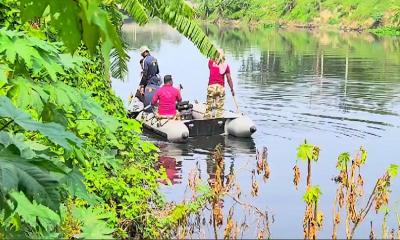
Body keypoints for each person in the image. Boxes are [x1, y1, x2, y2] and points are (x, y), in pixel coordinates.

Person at [204, 49, 235, 119]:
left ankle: (207, 118)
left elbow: (210, 67)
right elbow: (229, 79)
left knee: (209, 107)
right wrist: (232, 89)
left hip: (211, 87)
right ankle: (219, 119)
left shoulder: (211, 62)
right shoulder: (226, 66)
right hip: (220, 88)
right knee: (219, 108)